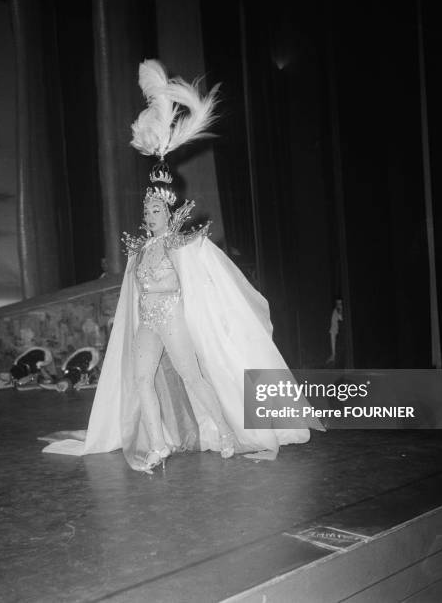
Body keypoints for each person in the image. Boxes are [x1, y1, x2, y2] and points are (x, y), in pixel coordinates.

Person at [42, 59, 323, 472]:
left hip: (172, 317)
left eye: (155, 206)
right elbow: (133, 296)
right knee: (141, 381)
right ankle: (158, 444)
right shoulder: (139, 249)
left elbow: (209, 282)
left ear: (167, 208)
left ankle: (227, 433)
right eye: (146, 206)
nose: (149, 211)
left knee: (193, 378)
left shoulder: (183, 245)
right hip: (148, 323)